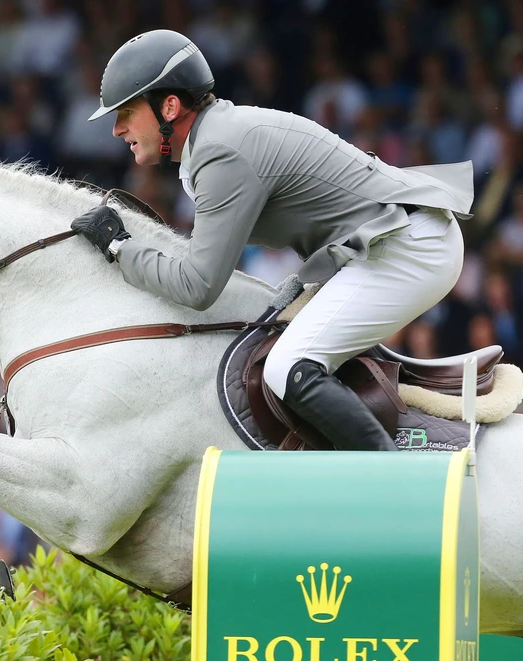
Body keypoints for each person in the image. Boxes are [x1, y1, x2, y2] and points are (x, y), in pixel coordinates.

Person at [70, 30, 474, 451]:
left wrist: (119, 247)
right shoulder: (213, 140)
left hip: (406, 249)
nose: (117, 129)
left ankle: (396, 491)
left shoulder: (220, 150)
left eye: (126, 113)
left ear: (169, 106)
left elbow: (197, 286)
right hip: (388, 244)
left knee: (288, 368)